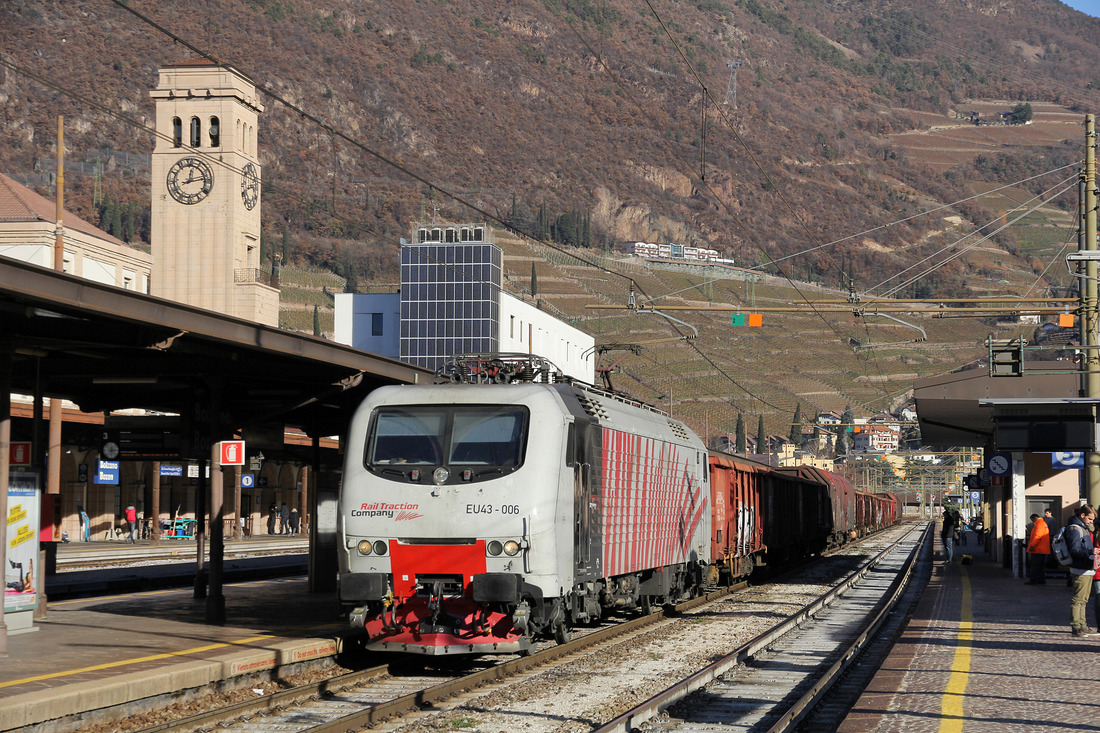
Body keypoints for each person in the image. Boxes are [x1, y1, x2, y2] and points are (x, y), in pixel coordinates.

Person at [1065, 504, 1100, 637]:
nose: (1091, 522)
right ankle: (1076, 626)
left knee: (1083, 599)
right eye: (1090, 519)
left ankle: (1082, 625)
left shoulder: (1082, 528)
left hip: (1086, 568)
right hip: (1080, 568)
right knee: (1078, 599)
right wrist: (1091, 551)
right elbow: (1074, 550)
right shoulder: (1075, 529)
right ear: (1082, 515)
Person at [1025, 512, 1050, 584]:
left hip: (1037, 549)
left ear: (1034, 518)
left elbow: (1037, 536)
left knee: (1035, 565)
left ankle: (1034, 580)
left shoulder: (1039, 524)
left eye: (1032, 520)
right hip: (1042, 549)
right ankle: (1040, 580)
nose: (1032, 522)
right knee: (1040, 566)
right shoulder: (1042, 524)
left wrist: (1032, 545)